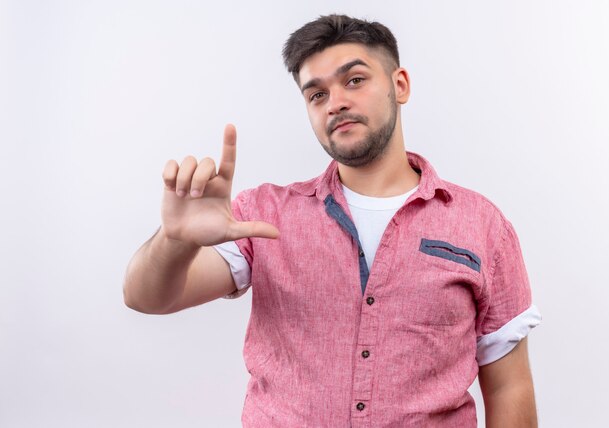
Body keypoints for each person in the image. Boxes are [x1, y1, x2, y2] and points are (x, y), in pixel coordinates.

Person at [124, 14, 541, 427]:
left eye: (354, 80)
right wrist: (175, 240)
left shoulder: (481, 224)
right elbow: (147, 297)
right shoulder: (264, 216)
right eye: (316, 95)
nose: (336, 102)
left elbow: (509, 387)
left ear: (400, 85)